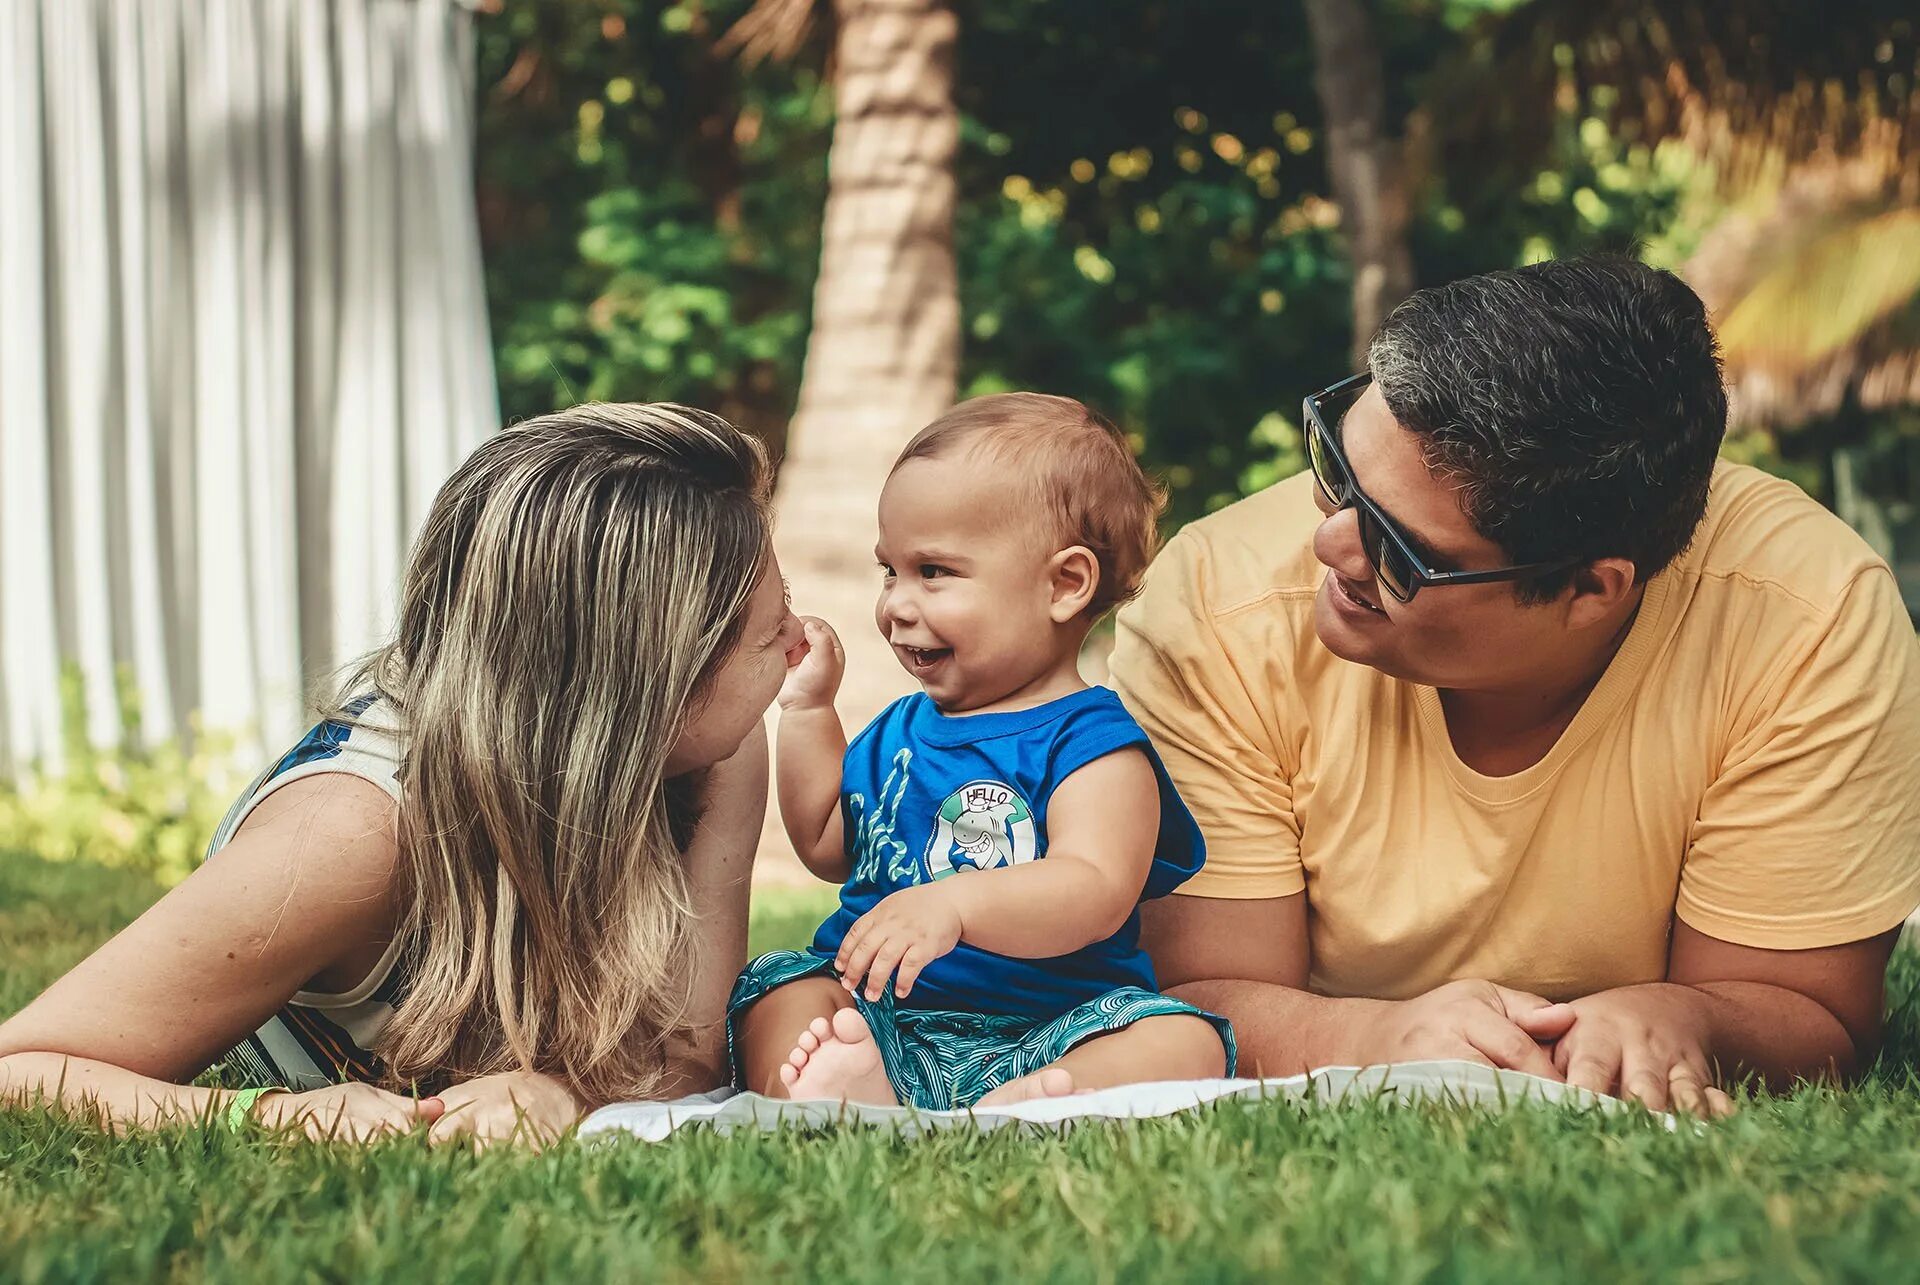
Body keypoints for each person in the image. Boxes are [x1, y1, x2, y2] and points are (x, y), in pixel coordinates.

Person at [1111, 256, 1920, 1117]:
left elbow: (1814, 1007)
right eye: (1335, 468)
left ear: (1592, 589)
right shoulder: (1216, 603)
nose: (1332, 546)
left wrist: (1688, 1018)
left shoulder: (1809, 618)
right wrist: (1369, 1043)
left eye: (1399, 549)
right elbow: (1197, 989)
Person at [0, 404, 800, 1143]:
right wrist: (276, 1118)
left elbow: (692, 1051)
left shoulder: (716, 754)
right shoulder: (353, 833)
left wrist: (565, 1094)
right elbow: (24, 1068)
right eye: (771, 635)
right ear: (649, 691)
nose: (803, 641)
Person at [730, 393, 1233, 1109]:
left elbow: (1094, 886)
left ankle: (1039, 1096)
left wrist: (956, 905)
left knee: (1188, 1041)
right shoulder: (901, 730)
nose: (897, 604)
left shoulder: (1092, 743)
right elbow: (825, 841)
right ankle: (848, 1086)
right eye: (889, 570)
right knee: (781, 989)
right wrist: (809, 710)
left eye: (933, 571)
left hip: (1053, 1025)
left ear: (1065, 584)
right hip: (879, 1014)